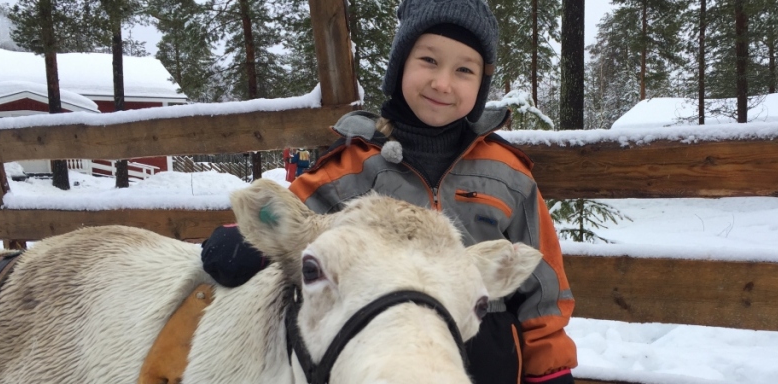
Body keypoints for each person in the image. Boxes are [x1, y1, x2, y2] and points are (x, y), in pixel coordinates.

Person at [201, 0, 578, 382]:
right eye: (429, 61)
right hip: (371, 359)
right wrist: (248, 244)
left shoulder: (508, 175)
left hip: (488, 364)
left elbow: (543, 288)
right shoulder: (350, 167)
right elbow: (295, 225)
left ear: (481, 85)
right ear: (399, 65)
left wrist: (550, 371)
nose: (442, 83)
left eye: (464, 69)